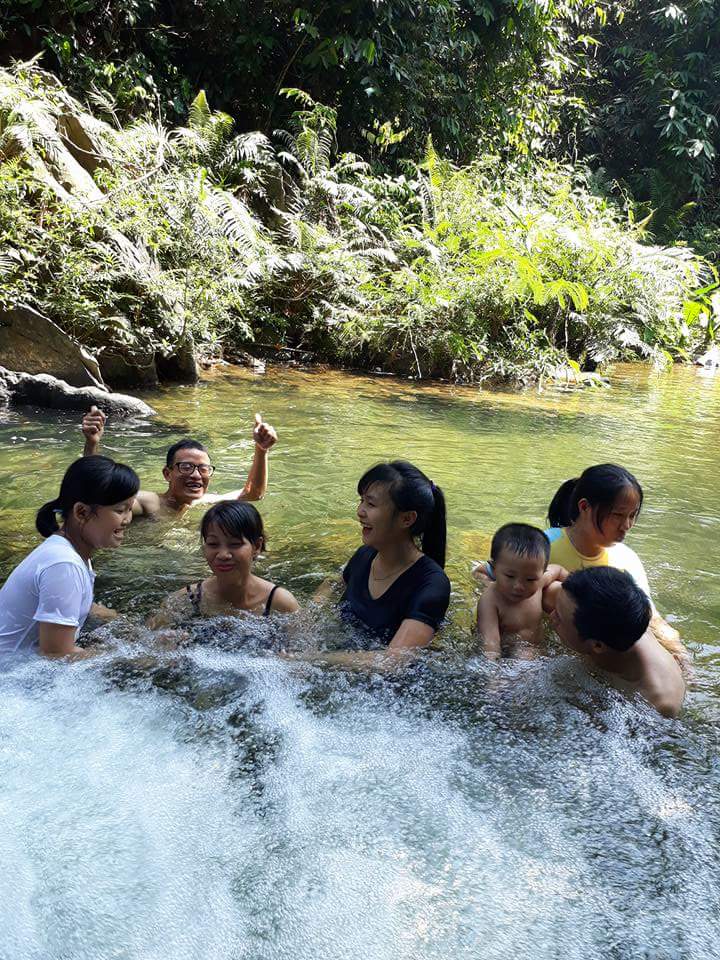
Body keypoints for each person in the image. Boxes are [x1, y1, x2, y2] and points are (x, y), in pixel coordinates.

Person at [546, 463, 689, 665]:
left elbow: (651, 617)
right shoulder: (545, 546)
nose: (627, 526)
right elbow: (489, 577)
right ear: (584, 507)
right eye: (618, 515)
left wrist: (680, 654)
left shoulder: (626, 560)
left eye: (632, 515)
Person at [0, 456, 140, 659]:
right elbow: (56, 654)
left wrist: (126, 626)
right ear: (81, 512)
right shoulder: (64, 564)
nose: (127, 519)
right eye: (120, 510)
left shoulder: (69, 552)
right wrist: (136, 656)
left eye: (130, 509)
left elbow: (74, 602)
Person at [326, 460, 450, 658]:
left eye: (371, 504)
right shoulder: (364, 555)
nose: (359, 511)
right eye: (361, 501)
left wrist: (310, 659)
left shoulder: (432, 583)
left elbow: (391, 664)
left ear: (407, 519)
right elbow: (329, 589)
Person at [81, 405, 278, 518]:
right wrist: (92, 444)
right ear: (167, 474)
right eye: (186, 467)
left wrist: (261, 451)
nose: (195, 475)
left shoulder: (199, 503)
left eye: (203, 469)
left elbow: (253, 494)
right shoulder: (150, 503)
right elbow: (101, 495)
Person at [545, 567, 686, 718]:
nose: (551, 617)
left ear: (597, 646)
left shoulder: (657, 702)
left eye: (559, 617)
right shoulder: (581, 603)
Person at [150, 501, 298, 627]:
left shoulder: (280, 603)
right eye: (213, 544)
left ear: (257, 546)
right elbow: (143, 646)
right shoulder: (187, 599)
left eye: (234, 544)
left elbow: (306, 654)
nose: (223, 555)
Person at [476, 523, 566, 659]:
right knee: (522, 655)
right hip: (510, 655)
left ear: (542, 573)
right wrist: (493, 675)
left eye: (530, 579)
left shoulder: (540, 581)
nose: (519, 586)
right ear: (493, 569)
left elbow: (558, 569)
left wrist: (573, 581)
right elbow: (490, 643)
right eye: (510, 576)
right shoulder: (490, 600)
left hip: (538, 647)